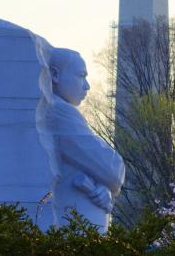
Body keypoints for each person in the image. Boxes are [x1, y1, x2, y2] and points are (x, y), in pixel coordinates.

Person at [43, 48, 125, 231]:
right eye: (81, 76)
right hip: (70, 229)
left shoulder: (60, 110)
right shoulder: (59, 111)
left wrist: (103, 187)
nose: (87, 86)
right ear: (55, 75)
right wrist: (108, 179)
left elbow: (97, 170)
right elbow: (110, 168)